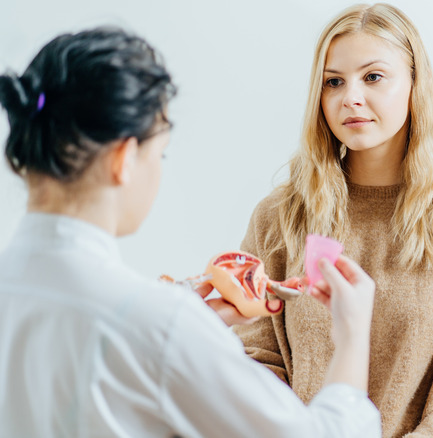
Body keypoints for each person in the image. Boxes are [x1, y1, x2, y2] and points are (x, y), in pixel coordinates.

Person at [0, 27, 380, 438]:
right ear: (124, 159)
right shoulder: (159, 325)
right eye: (160, 153)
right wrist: (353, 336)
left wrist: (185, 334)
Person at [234, 3, 433, 437]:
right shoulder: (278, 218)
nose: (350, 97)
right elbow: (255, 362)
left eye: (373, 77)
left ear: (416, 84)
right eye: (333, 82)